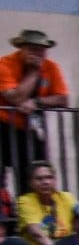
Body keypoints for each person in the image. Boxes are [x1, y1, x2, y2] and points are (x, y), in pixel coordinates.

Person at [0, 29, 69, 195]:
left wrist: (37, 102)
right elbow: (15, 98)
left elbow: (63, 99)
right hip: (3, 126)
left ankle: (27, 214)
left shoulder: (51, 67)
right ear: (21, 49)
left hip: (31, 129)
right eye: (32, 49)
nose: (37, 53)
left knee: (32, 173)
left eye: (41, 50)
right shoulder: (5, 64)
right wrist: (33, 72)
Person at [16, 160, 74, 245]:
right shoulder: (26, 201)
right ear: (31, 183)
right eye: (39, 179)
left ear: (55, 180)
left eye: (49, 177)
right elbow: (37, 234)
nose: (46, 182)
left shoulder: (67, 198)